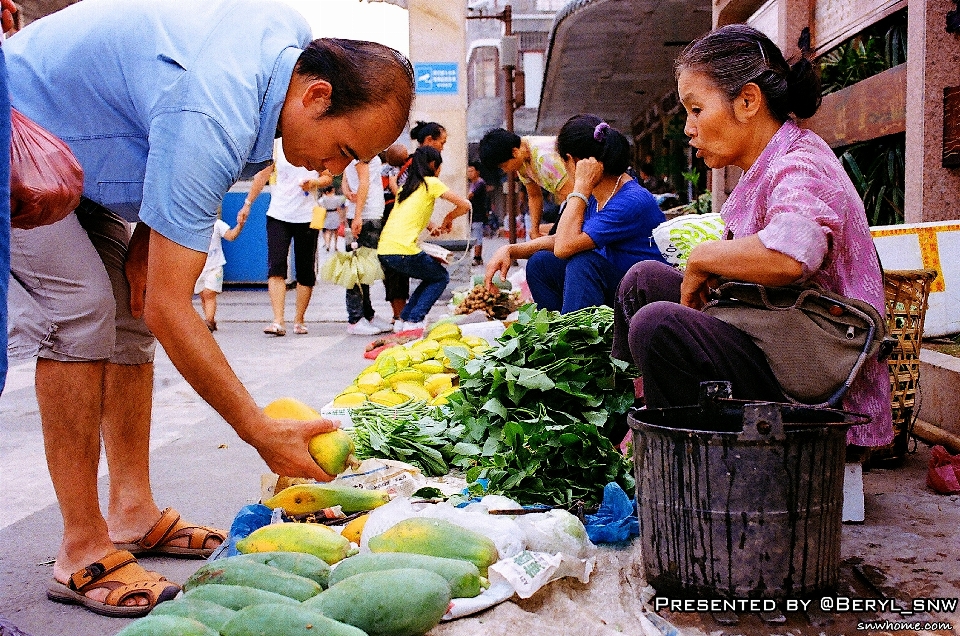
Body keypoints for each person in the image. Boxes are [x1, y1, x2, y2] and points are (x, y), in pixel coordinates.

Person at [5, 0, 414, 618]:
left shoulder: (289, 48)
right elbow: (177, 306)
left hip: (81, 151)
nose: (334, 171)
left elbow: (151, 118)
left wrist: (150, 231)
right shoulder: (214, 106)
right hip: (19, 128)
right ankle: (80, 546)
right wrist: (258, 430)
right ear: (316, 95)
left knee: (131, 310)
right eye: (343, 150)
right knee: (82, 308)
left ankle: (133, 510)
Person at [610, 25, 892, 451]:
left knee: (659, 325)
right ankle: (631, 428)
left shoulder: (799, 165)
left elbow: (790, 257)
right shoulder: (769, 162)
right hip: (773, 336)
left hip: (819, 382)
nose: (689, 128)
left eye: (696, 109)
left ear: (747, 101)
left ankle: (671, 463)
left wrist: (705, 257)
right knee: (643, 282)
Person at [484, 115, 666, 313]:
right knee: (541, 263)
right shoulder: (598, 195)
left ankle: (572, 340)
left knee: (583, 264)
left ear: (572, 161)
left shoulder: (629, 200)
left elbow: (564, 246)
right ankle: (555, 331)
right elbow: (563, 239)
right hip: (618, 284)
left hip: (641, 298)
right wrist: (511, 250)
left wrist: (579, 188)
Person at [377, 146, 471, 332]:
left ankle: (404, 319)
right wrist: (449, 218)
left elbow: (412, 211)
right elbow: (465, 204)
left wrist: (432, 226)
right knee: (440, 277)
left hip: (385, 250)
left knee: (431, 277)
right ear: (433, 165)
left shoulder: (406, 189)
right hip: (403, 250)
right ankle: (414, 320)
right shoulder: (431, 183)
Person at [251, 141, 331, 337]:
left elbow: (328, 176)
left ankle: (299, 319)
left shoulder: (316, 144)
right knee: (276, 266)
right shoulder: (275, 145)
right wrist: (247, 204)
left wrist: (314, 183)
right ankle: (278, 320)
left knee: (305, 270)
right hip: (278, 213)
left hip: (307, 216)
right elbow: (262, 174)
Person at [478, 128, 572, 239]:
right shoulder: (522, 159)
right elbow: (534, 196)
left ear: (514, 152)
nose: (506, 170)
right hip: (571, 201)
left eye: (504, 166)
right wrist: (535, 229)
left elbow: (572, 193)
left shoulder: (543, 157)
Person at [342, 156, 392, 335]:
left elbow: (346, 178)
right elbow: (363, 182)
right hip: (366, 215)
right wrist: (357, 216)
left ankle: (367, 314)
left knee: (365, 269)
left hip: (367, 213)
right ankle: (355, 318)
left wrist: (347, 191)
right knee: (357, 269)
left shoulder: (357, 150)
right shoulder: (361, 151)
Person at [195, 208, 248, 332]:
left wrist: (239, 226)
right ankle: (211, 320)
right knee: (203, 294)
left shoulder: (217, 224)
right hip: (199, 268)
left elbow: (230, 236)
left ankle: (208, 321)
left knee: (209, 293)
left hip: (215, 266)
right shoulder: (192, 226)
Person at [467, 162, 491, 266]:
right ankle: (477, 257)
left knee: (477, 236)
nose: (469, 173)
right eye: (468, 171)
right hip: (473, 214)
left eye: (471, 171)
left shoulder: (479, 183)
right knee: (475, 235)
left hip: (478, 214)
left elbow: (470, 196)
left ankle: (477, 257)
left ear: (477, 172)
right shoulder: (472, 183)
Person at [318, 185, 346, 252]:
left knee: (328, 231)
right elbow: (340, 206)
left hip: (326, 214)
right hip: (334, 214)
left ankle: (328, 245)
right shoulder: (337, 198)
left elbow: (319, 203)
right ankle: (335, 246)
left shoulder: (323, 199)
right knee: (335, 231)